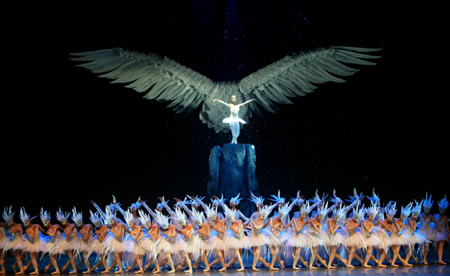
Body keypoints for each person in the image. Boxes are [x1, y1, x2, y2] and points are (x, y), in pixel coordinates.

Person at [433, 195, 449, 265]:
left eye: (443, 211)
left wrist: (448, 233)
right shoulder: (435, 216)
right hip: (436, 232)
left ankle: (440, 259)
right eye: (441, 211)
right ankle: (438, 259)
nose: (441, 212)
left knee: (441, 246)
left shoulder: (445, 218)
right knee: (436, 247)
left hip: (442, 233)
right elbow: (433, 222)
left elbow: (447, 226)